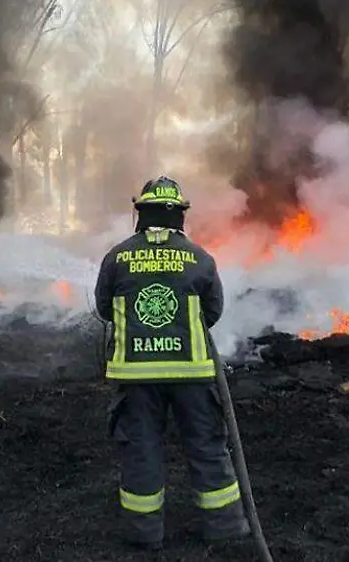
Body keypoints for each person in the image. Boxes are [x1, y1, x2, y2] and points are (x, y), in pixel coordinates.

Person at [94, 176, 251, 550]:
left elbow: (104, 309)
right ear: (180, 215)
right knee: (207, 447)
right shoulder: (199, 258)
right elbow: (212, 312)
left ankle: (144, 534)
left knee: (141, 450)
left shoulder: (117, 257)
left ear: (140, 215)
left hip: (135, 378)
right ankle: (225, 528)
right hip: (192, 374)